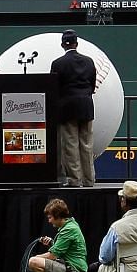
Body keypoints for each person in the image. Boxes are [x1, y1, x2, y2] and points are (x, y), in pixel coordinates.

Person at [50, 29, 99, 187]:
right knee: (86, 143)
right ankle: (89, 179)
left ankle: (75, 180)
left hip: (67, 107)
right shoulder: (89, 61)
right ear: (77, 44)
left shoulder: (58, 63)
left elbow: (54, 88)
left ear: (63, 44)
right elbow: (92, 85)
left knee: (70, 144)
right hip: (86, 105)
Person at [23, 197, 87, 272]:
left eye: (50, 217)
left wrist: (35, 258)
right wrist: (52, 244)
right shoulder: (68, 226)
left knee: (33, 261)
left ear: (58, 216)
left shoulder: (69, 229)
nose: (49, 221)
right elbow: (62, 252)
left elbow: (52, 256)